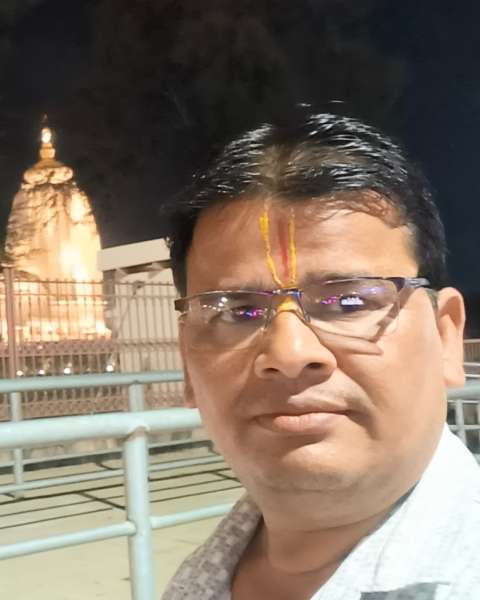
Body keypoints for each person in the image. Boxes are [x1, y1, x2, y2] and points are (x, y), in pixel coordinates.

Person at [162, 112, 480, 600]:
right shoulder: (198, 580)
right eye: (239, 312)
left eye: (349, 301)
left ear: (445, 337)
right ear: (187, 364)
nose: (289, 352)